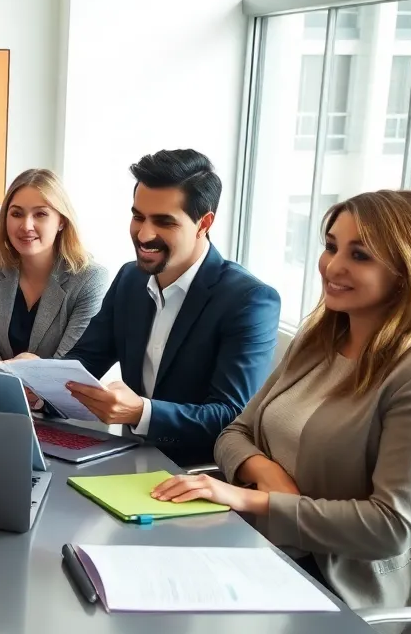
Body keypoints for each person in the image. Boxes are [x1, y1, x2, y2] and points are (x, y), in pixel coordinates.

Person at [152, 190, 411, 634]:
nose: (332, 265)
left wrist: (255, 500)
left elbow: (390, 528)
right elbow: (235, 432)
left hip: (342, 586)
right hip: (264, 553)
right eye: (331, 245)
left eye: (359, 255)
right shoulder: (320, 338)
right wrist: (269, 475)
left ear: (408, 270)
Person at [53, 149, 281, 465]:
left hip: (195, 474)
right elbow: (86, 360)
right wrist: (35, 382)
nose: (144, 234)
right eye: (138, 217)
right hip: (125, 457)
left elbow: (231, 417)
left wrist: (142, 412)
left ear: (204, 223)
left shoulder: (249, 300)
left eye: (164, 222)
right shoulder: (130, 279)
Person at [0, 169, 109, 361]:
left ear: (61, 221)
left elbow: (70, 368)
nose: (26, 226)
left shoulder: (90, 278)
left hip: (56, 392)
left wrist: (26, 366)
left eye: (40, 214)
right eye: (16, 214)